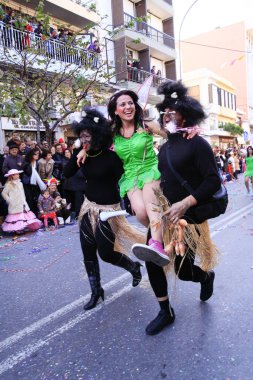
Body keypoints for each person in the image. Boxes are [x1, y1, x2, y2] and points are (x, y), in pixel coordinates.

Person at [141, 80, 221, 335]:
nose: (166, 115)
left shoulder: (198, 143)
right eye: (164, 111)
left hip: (187, 219)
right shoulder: (165, 146)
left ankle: (205, 277)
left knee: (184, 272)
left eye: (171, 111)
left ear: (185, 114)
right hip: (165, 218)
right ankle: (165, 311)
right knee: (152, 260)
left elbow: (212, 181)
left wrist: (186, 202)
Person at [64, 108, 145, 311]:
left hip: (109, 211)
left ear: (97, 135)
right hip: (88, 209)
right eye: (81, 135)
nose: (83, 138)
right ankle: (96, 291)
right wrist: (78, 152)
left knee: (106, 253)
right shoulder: (82, 154)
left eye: (87, 135)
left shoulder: (111, 157)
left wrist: (132, 200)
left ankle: (133, 267)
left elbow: (125, 179)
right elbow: (66, 173)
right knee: (87, 252)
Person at [107, 89, 171, 267]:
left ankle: (157, 244)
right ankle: (163, 234)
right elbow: (92, 142)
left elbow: (171, 135)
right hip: (131, 178)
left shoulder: (146, 124)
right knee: (141, 213)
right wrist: (82, 149)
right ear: (115, 111)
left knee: (152, 205)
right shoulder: (112, 132)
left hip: (151, 170)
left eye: (130, 103)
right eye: (123, 104)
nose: (128, 107)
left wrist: (189, 131)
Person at [1, 169, 42, 234]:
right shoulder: (9, 184)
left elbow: (22, 193)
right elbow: (4, 193)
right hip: (14, 203)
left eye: (18, 174)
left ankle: (23, 227)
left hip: (22, 202)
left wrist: (24, 200)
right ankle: (17, 229)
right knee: (17, 216)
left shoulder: (20, 183)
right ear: (12, 176)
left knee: (23, 214)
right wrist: (9, 200)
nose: (18, 175)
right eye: (16, 174)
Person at [22, 148, 47, 215]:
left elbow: (37, 174)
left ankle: (35, 214)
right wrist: (32, 168)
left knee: (36, 199)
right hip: (27, 184)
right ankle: (30, 215)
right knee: (29, 199)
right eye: (35, 154)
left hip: (35, 184)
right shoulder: (26, 163)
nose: (37, 155)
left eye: (38, 154)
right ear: (31, 155)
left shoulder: (37, 163)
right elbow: (27, 173)